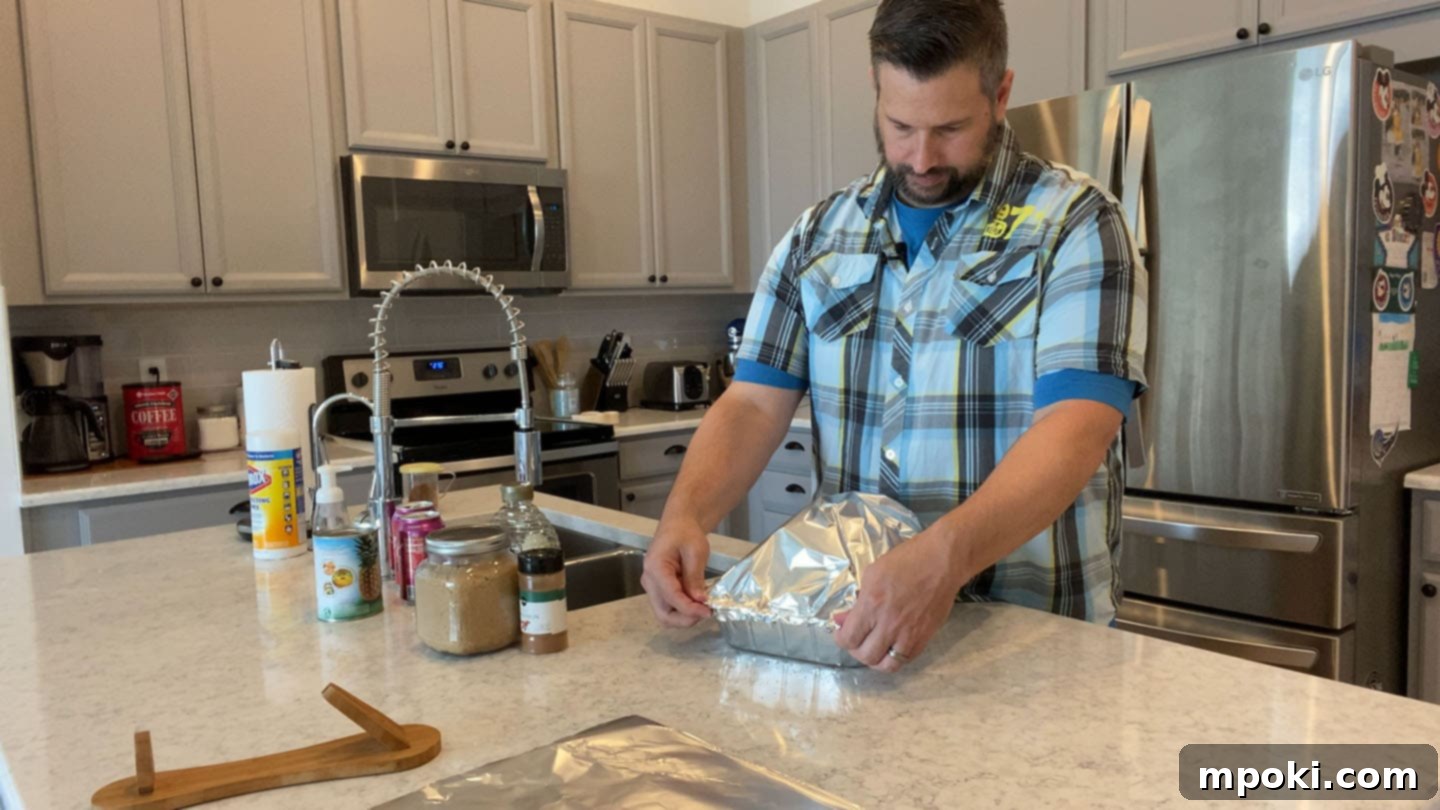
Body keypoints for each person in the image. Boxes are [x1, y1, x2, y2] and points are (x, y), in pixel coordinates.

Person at [641, 0, 1148, 672]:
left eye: (950, 128)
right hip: (859, 641)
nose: (921, 157)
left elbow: (1076, 427)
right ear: (877, 91)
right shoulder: (818, 236)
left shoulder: (1075, 224)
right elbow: (752, 403)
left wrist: (944, 559)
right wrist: (685, 516)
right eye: (899, 124)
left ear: (1000, 94)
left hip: (1035, 644)